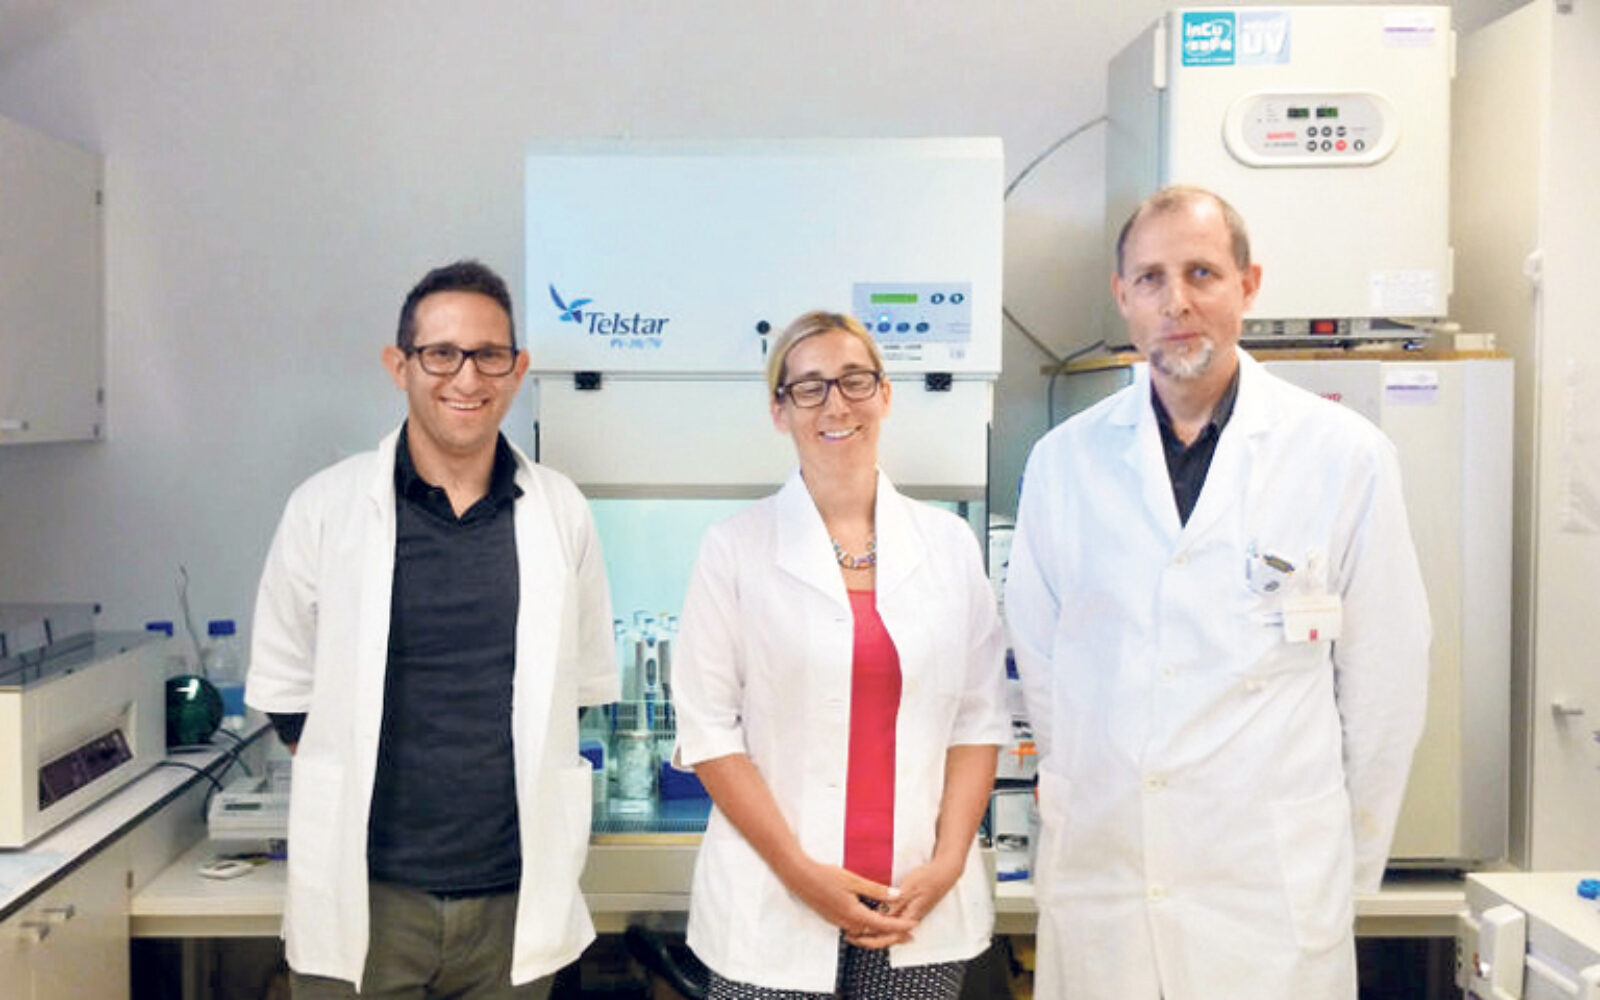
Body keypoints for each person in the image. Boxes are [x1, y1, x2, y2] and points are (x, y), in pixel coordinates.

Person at [1005, 186, 1431, 1000]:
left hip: (1268, 894)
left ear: (1248, 284)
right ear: (1122, 296)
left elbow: (1386, 685)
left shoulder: (1344, 455)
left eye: (1201, 273)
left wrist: (1336, 865)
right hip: (1109, 883)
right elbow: (1046, 668)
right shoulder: (1065, 461)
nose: (1177, 302)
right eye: (1151, 278)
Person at [246, 260, 618, 999]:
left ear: (517, 370)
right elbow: (286, 696)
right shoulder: (324, 508)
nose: (467, 378)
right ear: (400, 366)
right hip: (368, 898)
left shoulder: (561, 511)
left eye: (489, 355)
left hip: (512, 901)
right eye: (441, 354)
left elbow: (573, 691)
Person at [671, 311, 1010, 998]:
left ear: (885, 394)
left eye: (855, 380)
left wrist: (949, 862)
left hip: (916, 902)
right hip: (776, 904)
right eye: (810, 387)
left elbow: (979, 720)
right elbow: (709, 733)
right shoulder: (734, 548)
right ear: (780, 411)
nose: (836, 404)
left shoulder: (948, 546)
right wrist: (800, 874)